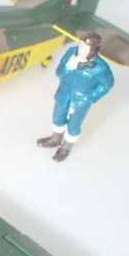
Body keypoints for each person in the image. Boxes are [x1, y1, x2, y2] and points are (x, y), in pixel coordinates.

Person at [37, 32, 114, 162]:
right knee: (57, 117)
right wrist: (68, 66)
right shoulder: (71, 53)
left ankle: (65, 147)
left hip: (80, 102)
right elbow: (59, 73)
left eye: (84, 48)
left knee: (74, 125)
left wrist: (90, 98)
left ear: (93, 50)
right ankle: (55, 138)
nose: (80, 49)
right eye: (80, 45)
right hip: (63, 94)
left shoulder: (101, 68)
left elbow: (108, 84)